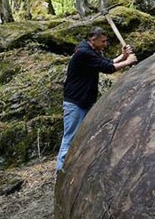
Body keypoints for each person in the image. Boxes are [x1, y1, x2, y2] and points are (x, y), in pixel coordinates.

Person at [55, 26, 139, 174]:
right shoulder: (83, 52)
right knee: (70, 137)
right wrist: (128, 61)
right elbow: (108, 68)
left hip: (85, 101)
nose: (105, 44)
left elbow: (104, 62)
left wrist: (123, 56)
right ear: (93, 40)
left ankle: (78, 167)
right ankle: (61, 172)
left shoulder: (90, 50)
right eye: (103, 41)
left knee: (85, 135)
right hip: (75, 102)